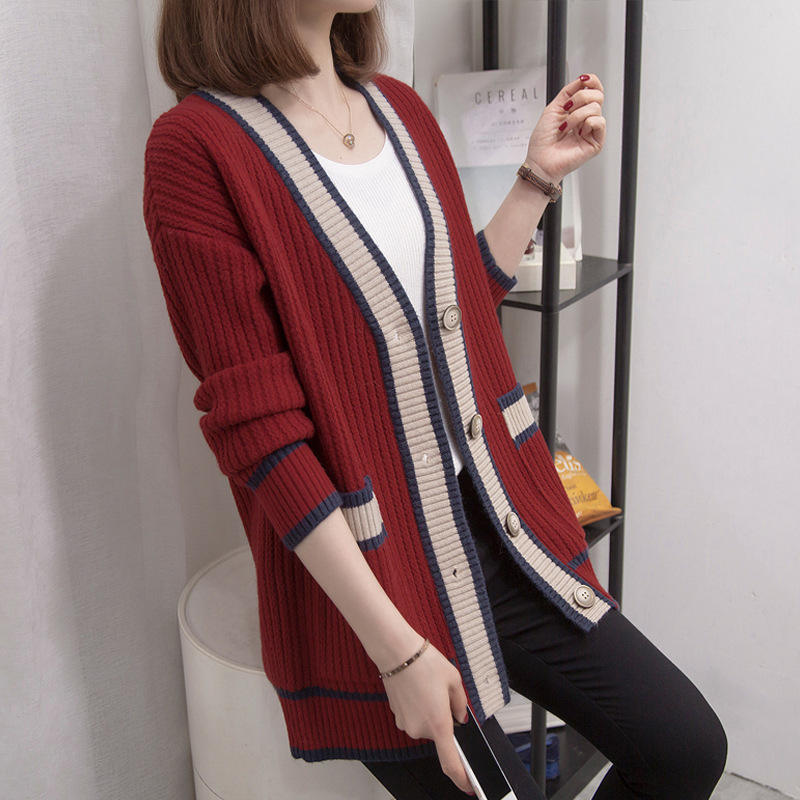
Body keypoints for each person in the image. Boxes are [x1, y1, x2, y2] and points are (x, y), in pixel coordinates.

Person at [144, 1, 728, 797]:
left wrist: (536, 179)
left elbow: (452, 314)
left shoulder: (399, 109)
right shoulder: (196, 150)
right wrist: (397, 654)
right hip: (381, 582)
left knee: (684, 747)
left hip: (499, 527)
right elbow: (262, 437)